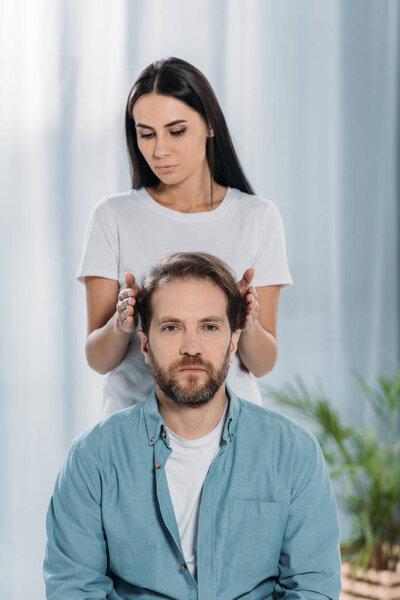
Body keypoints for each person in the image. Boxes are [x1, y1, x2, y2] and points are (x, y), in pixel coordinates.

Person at [45, 252, 340, 600]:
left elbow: (312, 589)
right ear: (145, 345)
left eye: (209, 326)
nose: (191, 347)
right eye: (171, 327)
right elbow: (74, 589)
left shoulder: (293, 454)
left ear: (233, 342)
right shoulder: (90, 460)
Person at [76, 57, 293, 416]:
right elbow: (99, 359)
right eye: (146, 133)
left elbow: (262, 363)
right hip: (133, 437)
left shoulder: (258, 218)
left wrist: (247, 321)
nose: (159, 150)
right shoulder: (112, 217)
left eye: (176, 131)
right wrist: (121, 323)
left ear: (209, 125)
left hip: (230, 436)